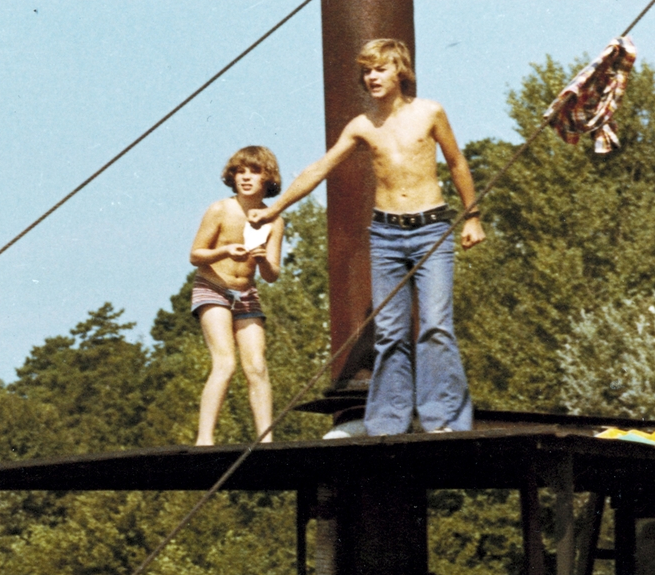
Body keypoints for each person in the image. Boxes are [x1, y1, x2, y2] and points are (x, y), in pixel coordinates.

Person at [249, 38, 484, 436]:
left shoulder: (429, 112)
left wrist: (472, 216)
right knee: (390, 331)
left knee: (436, 325)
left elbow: (457, 162)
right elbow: (320, 167)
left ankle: (442, 420)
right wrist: (276, 208)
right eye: (367, 71)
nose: (372, 77)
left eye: (379, 69)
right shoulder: (362, 125)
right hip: (387, 234)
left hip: (431, 229)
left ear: (400, 72)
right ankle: (388, 422)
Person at [187, 145, 286, 445]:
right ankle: (205, 439)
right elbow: (195, 255)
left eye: (254, 171)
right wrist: (225, 250)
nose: (245, 177)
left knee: (256, 365)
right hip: (213, 286)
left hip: (246, 293)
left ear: (267, 178)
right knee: (225, 362)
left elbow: (272, 275)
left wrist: (262, 260)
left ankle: (265, 438)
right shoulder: (221, 209)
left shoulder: (274, 221)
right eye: (240, 171)